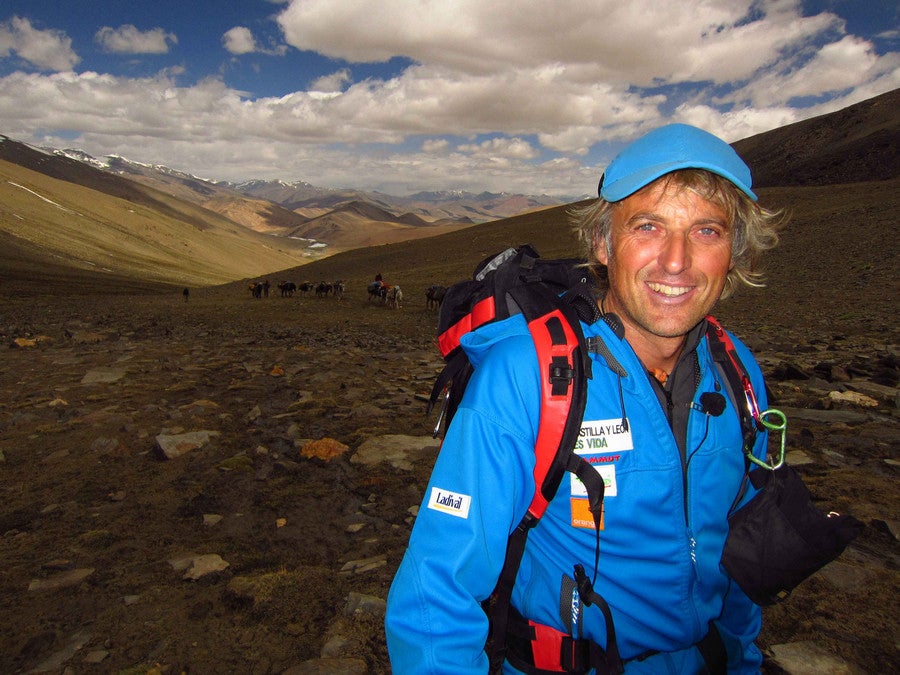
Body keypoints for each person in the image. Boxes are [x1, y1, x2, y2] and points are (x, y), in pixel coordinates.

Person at [385, 124, 786, 673]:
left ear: (735, 253)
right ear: (602, 243)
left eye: (707, 231)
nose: (676, 260)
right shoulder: (527, 376)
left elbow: (741, 556)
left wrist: (744, 663)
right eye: (647, 226)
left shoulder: (737, 373)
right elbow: (435, 594)